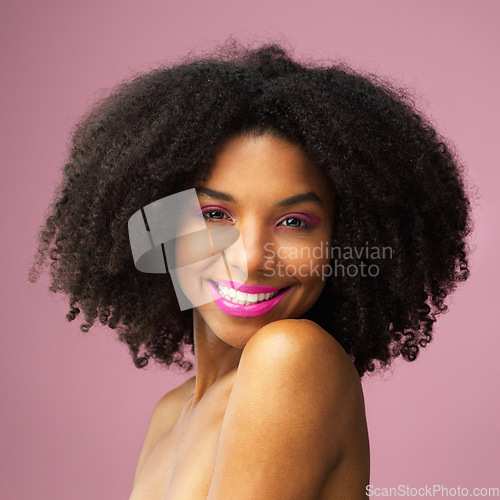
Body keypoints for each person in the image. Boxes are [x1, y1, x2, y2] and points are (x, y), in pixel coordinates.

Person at [29, 41, 471, 499]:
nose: (251, 257)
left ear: (345, 240)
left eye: (294, 222)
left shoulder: (291, 358)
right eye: (215, 215)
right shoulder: (171, 413)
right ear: (161, 222)